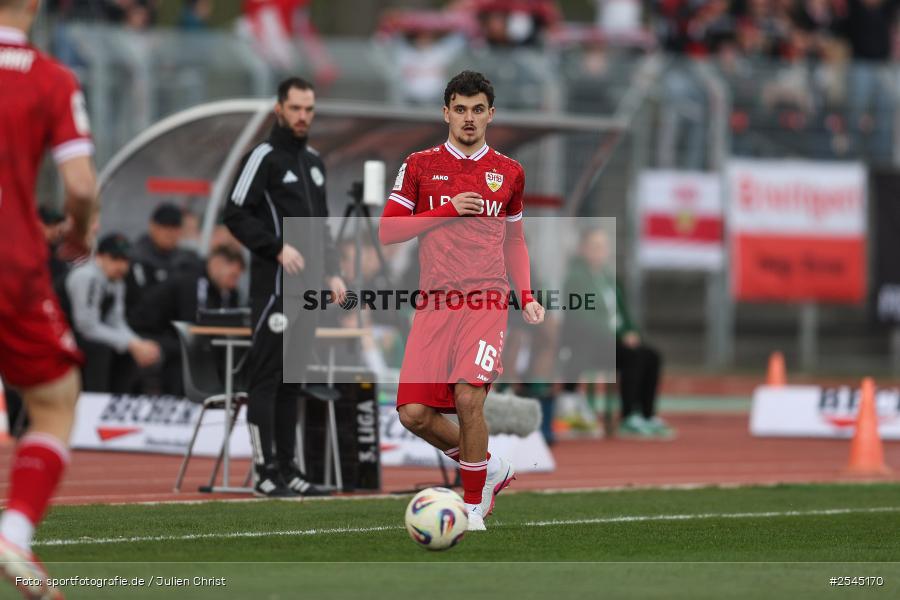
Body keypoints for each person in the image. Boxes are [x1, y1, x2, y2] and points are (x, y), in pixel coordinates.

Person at [378, 71, 544, 531]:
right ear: (445, 112)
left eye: (477, 109)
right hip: (434, 303)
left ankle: (472, 505)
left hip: (487, 300)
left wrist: (526, 295)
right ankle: (489, 468)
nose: (468, 118)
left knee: (469, 396)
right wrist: (446, 209)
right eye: (460, 108)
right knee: (413, 414)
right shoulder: (419, 165)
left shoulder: (510, 172)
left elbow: (516, 241)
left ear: (491, 114)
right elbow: (388, 230)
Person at [0, 0, 97, 596]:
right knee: (56, 399)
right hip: (12, 260)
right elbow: (81, 185)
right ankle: (14, 531)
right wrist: (79, 235)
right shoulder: (51, 77)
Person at [224, 76, 346, 498]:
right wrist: (276, 248)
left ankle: (291, 470)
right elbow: (235, 213)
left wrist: (332, 271)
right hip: (275, 289)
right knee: (267, 378)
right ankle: (264, 471)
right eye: (295, 108)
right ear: (279, 108)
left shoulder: (313, 161)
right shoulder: (263, 157)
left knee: (294, 379)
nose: (302, 116)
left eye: (309, 110)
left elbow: (322, 226)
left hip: (310, 290)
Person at [562, 227, 673, 438]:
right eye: (595, 246)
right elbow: (583, 319)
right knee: (632, 355)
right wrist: (620, 337)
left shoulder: (608, 278)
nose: (600, 251)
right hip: (592, 345)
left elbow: (624, 315)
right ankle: (629, 416)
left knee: (651, 355)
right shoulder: (577, 278)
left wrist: (632, 332)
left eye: (603, 247)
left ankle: (646, 415)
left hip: (615, 341)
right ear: (583, 249)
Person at [130, 245, 246, 395]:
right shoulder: (191, 282)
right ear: (216, 264)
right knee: (190, 352)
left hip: (175, 336)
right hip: (149, 334)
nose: (234, 282)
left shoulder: (228, 292)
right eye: (233, 276)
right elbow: (192, 325)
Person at [65, 233, 161, 393]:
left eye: (125, 260)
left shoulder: (116, 281)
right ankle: (94, 402)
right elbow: (86, 326)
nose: (121, 266)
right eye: (115, 259)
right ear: (100, 257)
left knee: (129, 354)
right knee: (101, 350)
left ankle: (117, 400)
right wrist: (131, 344)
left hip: (87, 332)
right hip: (66, 333)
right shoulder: (86, 277)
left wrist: (138, 344)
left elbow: (116, 320)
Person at [126, 202, 202, 316]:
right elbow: (140, 300)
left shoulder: (186, 259)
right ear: (152, 226)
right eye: (165, 227)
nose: (170, 233)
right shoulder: (138, 257)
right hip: (143, 321)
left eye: (175, 227)